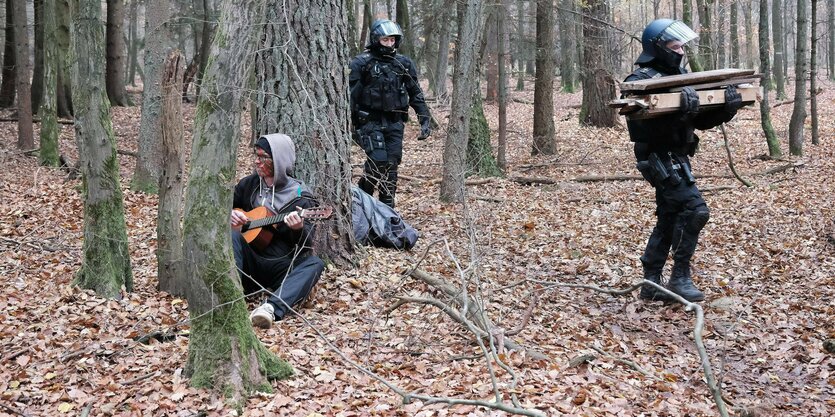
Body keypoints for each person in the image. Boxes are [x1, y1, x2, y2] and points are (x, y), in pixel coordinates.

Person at [625, 19, 745, 302]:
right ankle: (679, 279)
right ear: (658, 47)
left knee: (670, 217)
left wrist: (725, 110)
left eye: (682, 46)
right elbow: (641, 128)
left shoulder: (682, 76)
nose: (680, 51)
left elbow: (699, 121)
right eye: (674, 45)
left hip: (679, 155)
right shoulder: (640, 80)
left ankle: (651, 282)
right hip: (658, 157)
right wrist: (679, 115)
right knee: (695, 211)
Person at [230, 133, 324, 328]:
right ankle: (232, 297)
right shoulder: (250, 185)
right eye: (256, 155)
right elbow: (223, 206)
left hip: (279, 266)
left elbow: (305, 246)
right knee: (232, 235)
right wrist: (229, 214)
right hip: (247, 262)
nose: (257, 161)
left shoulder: (301, 198)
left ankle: (271, 308)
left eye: (263, 157)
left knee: (314, 264)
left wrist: (297, 229)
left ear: (279, 160)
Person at [349, 19, 432, 208]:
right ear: (376, 39)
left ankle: (388, 211)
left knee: (391, 167)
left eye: (392, 40)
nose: (389, 44)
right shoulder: (362, 63)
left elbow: (415, 92)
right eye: (385, 40)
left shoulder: (403, 64)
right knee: (378, 161)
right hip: (369, 122)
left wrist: (424, 119)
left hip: (395, 123)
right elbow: (351, 97)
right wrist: (351, 126)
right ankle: (363, 202)